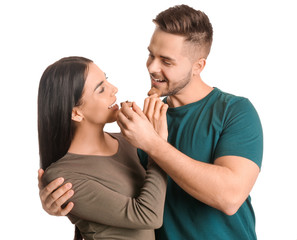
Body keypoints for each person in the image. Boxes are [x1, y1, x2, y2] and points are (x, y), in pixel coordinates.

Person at [38, 5, 263, 240]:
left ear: (198, 66)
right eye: (151, 55)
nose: (152, 67)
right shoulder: (141, 124)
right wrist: (58, 200)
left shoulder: (234, 111)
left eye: (166, 61)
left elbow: (229, 197)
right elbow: (108, 188)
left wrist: (153, 144)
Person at [38, 56, 168, 240]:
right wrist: (157, 146)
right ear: (76, 113)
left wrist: (153, 143)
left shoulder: (128, 140)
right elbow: (148, 216)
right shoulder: (63, 176)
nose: (114, 89)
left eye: (107, 79)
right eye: (101, 89)